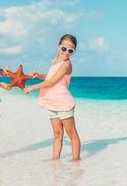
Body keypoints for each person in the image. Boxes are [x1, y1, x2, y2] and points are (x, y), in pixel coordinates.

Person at [24, 34, 81, 162]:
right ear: (58, 47)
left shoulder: (66, 64)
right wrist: (38, 75)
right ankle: (55, 161)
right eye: (64, 48)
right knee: (57, 135)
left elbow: (51, 82)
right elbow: (49, 77)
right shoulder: (54, 61)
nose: (66, 52)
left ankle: (76, 162)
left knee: (71, 134)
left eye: (70, 50)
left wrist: (31, 88)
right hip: (51, 102)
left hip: (63, 102)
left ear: (73, 52)